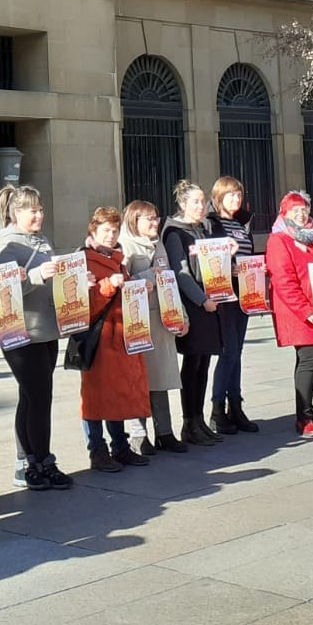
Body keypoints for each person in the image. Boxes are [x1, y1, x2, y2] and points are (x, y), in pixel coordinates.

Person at [0, 185, 73, 490]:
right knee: (37, 397)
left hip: (47, 328)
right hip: (22, 330)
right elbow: (5, 292)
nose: (39, 215)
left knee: (34, 398)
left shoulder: (42, 241)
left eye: (40, 210)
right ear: (16, 213)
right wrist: (39, 276)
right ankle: (38, 460)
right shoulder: (8, 246)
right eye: (32, 210)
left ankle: (33, 460)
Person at [79, 207, 150, 472]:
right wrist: (108, 285)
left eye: (114, 230)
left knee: (117, 393)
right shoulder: (83, 260)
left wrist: (139, 288)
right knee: (95, 396)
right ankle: (97, 450)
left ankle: (120, 446)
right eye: (105, 230)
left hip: (120, 336)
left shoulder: (118, 258)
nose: (111, 235)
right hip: (99, 338)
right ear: (93, 231)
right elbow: (81, 306)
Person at [265, 192, 313, 436]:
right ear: (284, 213)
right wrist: (305, 309)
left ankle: (307, 411)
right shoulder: (279, 239)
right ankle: (303, 416)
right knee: (309, 359)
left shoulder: (312, 238)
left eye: (304, 209)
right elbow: (283, 280)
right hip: (298, 311)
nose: (301, 214)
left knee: (310, 359)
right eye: (294, 210)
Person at [119, 201, 188, 454]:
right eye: (148, 219)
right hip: (140, 321)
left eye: (156, 217)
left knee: (162, 379)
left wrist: (182, 316)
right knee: (141, 380)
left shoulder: (158, 243)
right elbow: (122, 285)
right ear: (134, 221)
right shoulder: (125, 246)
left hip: (163, 318)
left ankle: (165, 432)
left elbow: (169, 279)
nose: (154, 222)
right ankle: (139, 435)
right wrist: (149, 275)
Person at [161, 181, 224, 447]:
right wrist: (202, 300)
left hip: (210, 303)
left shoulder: (203, 230)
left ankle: (198, 419)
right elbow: (181, 273)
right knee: (192, 365)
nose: (201, 207)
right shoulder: (176, 233)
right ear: (183, 204)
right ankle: (189, 423)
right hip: (193, 306)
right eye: (196, 202)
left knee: (203, 365)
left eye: (204, 202)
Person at [207, 177, 259, 435]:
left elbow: (248, 253)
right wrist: (230, 268)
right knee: (228, 352)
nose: (236, 200)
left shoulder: (242, 222)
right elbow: (209, 258)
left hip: (245, 293)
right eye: (231, 195)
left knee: (237, 351)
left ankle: (235, 406)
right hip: (224, 293)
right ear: (218, 197)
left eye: (239, 195)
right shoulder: (212, 223)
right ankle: (218, 410)